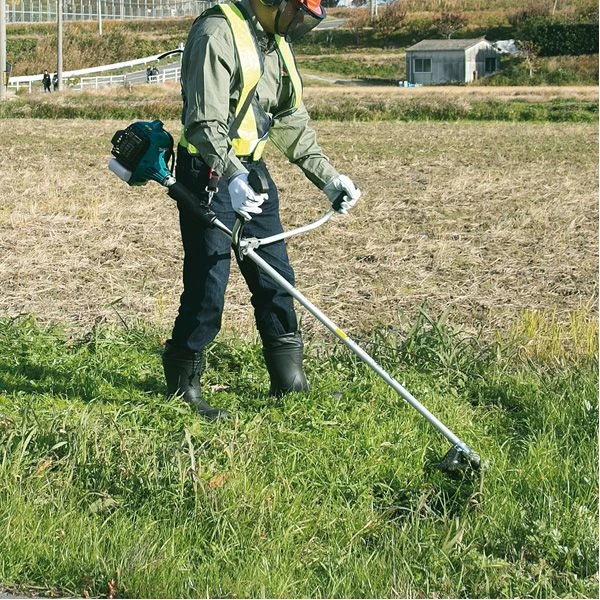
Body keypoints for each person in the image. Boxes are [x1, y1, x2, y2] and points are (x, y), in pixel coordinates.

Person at [163, 0, 362, 420]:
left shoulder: (276, 42)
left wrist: (328, 178)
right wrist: (231, 176)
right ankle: (183, 384)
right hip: (208, 171)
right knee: (208, 285)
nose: (300, 23)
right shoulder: (216, 32)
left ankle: (289, 381)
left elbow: (290, 118)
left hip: (251, 172)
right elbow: (204, 121)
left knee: (277, 278)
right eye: (298, 12)